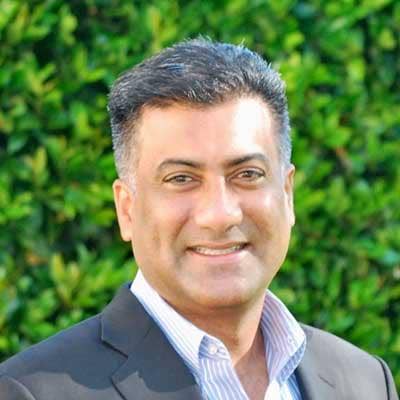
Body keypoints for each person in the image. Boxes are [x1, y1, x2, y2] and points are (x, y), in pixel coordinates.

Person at [0, 38, 397, 400]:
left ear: (287, 194)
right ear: (127, 209)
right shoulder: (32, 392)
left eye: (247, 174)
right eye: (181, 179)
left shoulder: (365, 382)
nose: (219, 214)